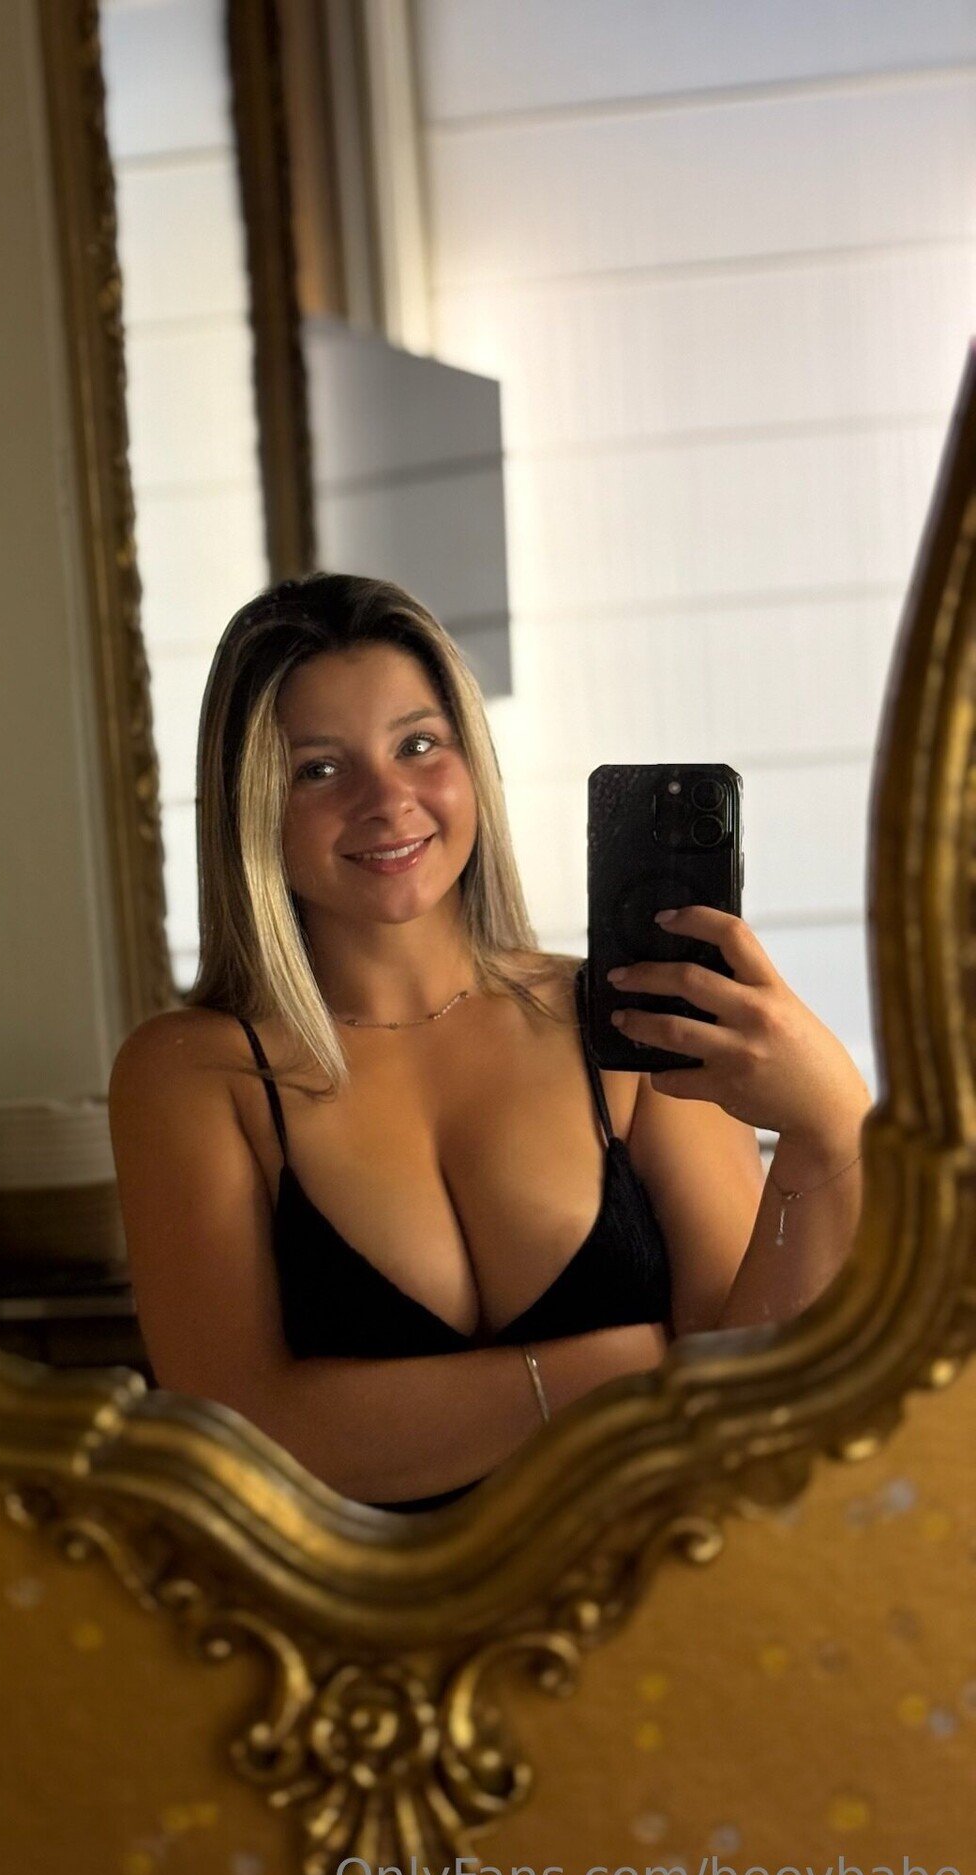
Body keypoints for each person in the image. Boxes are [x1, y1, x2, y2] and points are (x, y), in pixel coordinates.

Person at [107, 575, 872, 1514]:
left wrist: (828, 1129)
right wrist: (621, 1369)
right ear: (250, 802)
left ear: (471, 761)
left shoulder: (630, 1017)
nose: (388, 800)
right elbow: (248, 1438)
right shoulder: (192, 1074)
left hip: (658, 1589)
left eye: (417, 744)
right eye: (319, 769)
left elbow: (740, 1390)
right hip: (365, 1608)